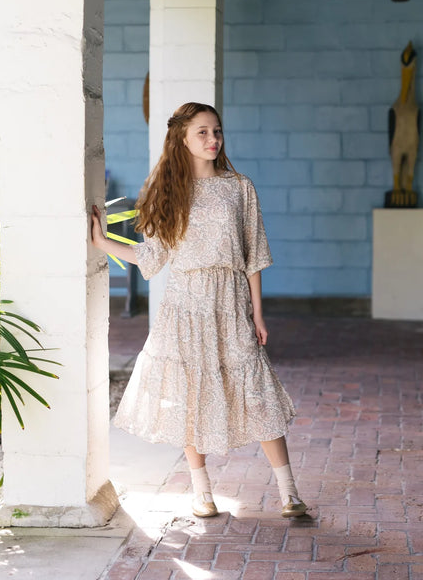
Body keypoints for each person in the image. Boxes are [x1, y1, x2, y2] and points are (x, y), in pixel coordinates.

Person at [89, 102, 307, 519]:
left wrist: (257, 315)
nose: (213, 139)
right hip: (185, 306)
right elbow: (151, 258)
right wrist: (103, 243)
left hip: (230, 302)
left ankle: (289, 492)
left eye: (217, 131)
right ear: (182, 140)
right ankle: (201, 491)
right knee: (191, 396)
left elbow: (254, 256)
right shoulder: (166, 193)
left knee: (257, 393)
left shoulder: (239, 187)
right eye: (203, 132)